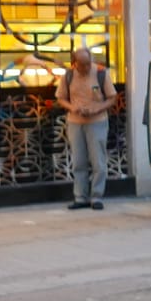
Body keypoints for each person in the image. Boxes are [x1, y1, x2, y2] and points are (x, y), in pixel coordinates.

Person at [56, 46, 116, 210]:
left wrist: (98, 108)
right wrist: (72, 107)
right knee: (79, 161)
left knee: (98, 161)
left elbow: (112, 98)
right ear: (74, 63)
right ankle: (80, 197)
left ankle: (96, 196)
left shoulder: (101, 73)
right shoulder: (68, 76)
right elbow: (60, 98)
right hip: (75, 122)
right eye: (82, 65)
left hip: (97, 122)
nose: (86, 68)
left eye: (88, 64)